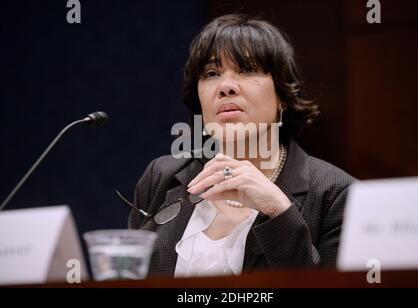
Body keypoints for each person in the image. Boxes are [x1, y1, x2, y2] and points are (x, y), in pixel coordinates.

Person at [128, 14, 355, 277]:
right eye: (211, 73)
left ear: (282, 95)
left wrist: (279, 211)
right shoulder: (162, 177)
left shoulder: (337, 194)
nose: (226, 87)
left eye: (247, 70)